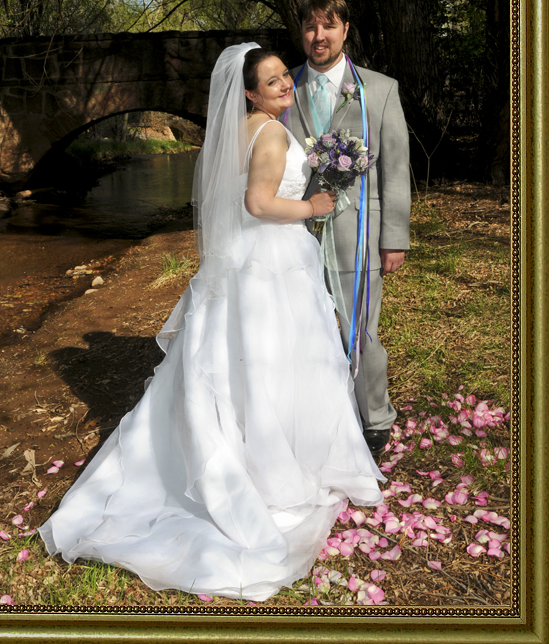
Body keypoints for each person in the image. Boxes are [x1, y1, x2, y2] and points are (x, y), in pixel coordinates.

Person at [38, 43, 383, 603]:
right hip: (273, 261)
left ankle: (247, 445)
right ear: (249, 92)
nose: (285, 85)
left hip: (244, 262)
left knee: (238, 361)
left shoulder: (238, 130)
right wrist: (313, 208)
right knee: (279, 361)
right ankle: (275, 465)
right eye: (272, 82)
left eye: (284, 76)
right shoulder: (271, 134)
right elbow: (258, 204)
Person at [284, 0, 411, 458]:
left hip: (358, 235)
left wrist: (394, 237)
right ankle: (318, 416)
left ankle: (375, 420)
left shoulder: (379, 89)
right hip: (292, 237)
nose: (318, 36)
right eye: (310, 27)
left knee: (360, 332)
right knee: (302, 330)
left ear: (345, 30)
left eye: (328, 26)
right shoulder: (284, 87)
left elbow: (395, 169)